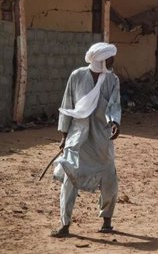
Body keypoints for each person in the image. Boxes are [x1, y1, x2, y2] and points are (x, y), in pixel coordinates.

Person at [50, 42, 121, 238]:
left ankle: (107, 220)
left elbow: (114, 105)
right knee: (70, 178)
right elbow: (67, 104)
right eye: (110, 59)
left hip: (101, 137)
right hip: (77, 136)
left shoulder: (112, 79)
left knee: (109, 179)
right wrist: (64, 136)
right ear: (101, 61)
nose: (113, 62)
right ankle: (64, 224)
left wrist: (115, 122)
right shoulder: (77, 76)